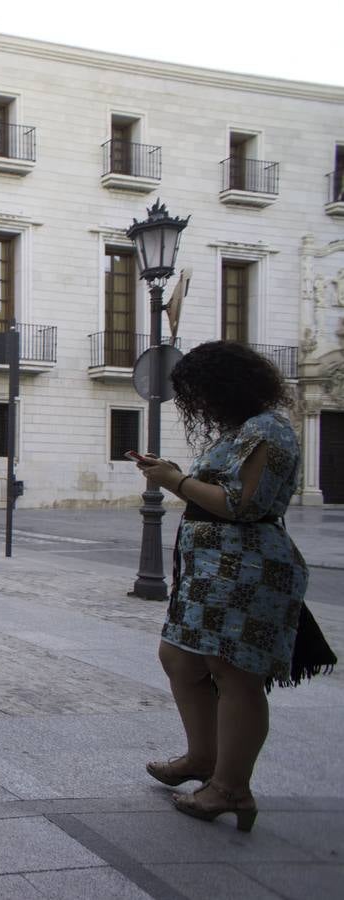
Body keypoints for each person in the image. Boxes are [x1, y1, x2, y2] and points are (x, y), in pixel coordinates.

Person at [132, 340, 309, 833]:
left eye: (201, 394)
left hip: (246, 574)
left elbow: (242, 504)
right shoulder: (244, 430)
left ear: (225, 387)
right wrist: (172, 474)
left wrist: (175, 482)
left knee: (235, 675)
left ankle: (232, 787)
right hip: (210, 577)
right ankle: (203, 759)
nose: (199, 406)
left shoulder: (268, 430)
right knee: (180, 659)